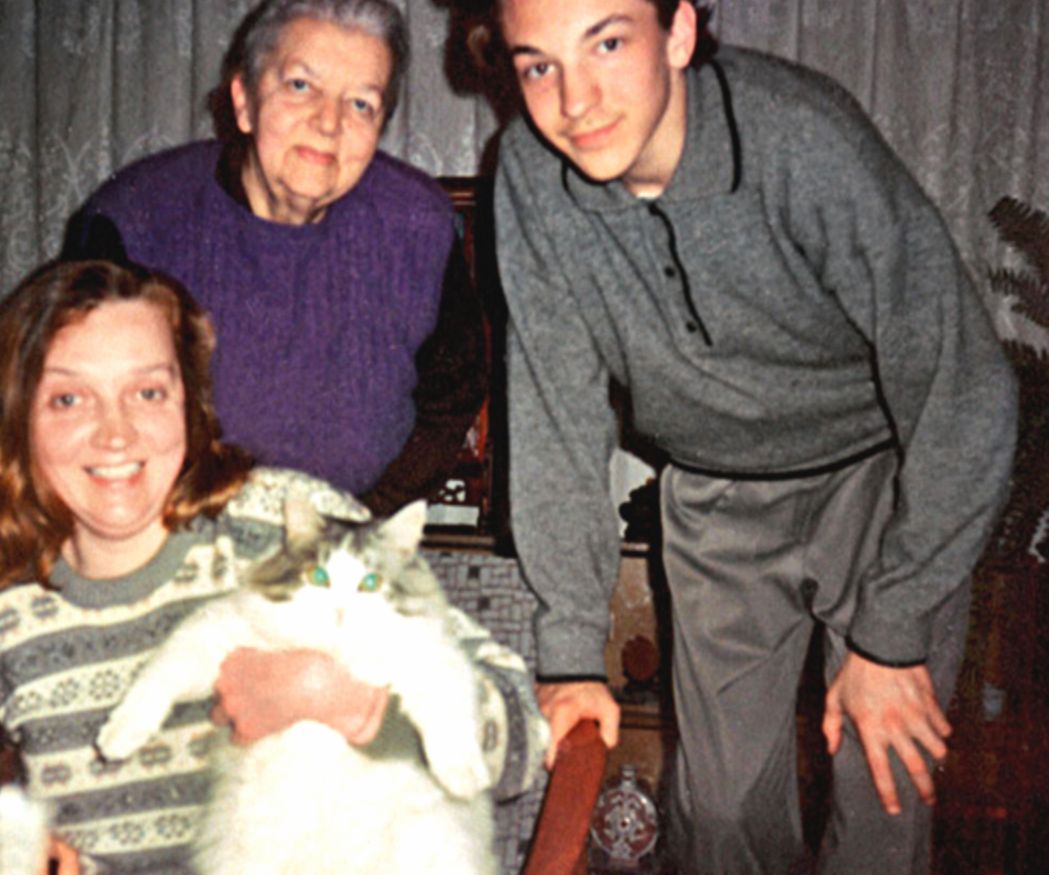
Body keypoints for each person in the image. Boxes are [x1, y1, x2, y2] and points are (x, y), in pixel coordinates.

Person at [490, 0, 1018, 872]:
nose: (574, 101)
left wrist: (892, 629)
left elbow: (960, 383)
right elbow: (554, 414)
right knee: (720, 811)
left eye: (607, 43)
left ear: (678, 32)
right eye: (538, 66)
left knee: (881, 795)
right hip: (715, 492)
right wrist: (571, 654)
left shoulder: (799, 137)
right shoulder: (528, 175)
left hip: (877, 477)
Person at [0, 259, 547, 874]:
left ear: (190, 403)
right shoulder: (10, 604)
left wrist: (346, 702)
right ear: (19, 414)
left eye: (148, 392)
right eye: (69, 399)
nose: (116, 435)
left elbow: (522, 742)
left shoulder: (284, 525)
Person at [62, 0, 486, 519]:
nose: (328, 122)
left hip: (346, 538)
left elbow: (453, 395)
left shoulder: (419, 225)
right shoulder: (136, 221)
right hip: (169, 532)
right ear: (244, 101)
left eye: (361, 104)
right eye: (300, 86)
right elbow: (77, 411)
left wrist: (358, 522)